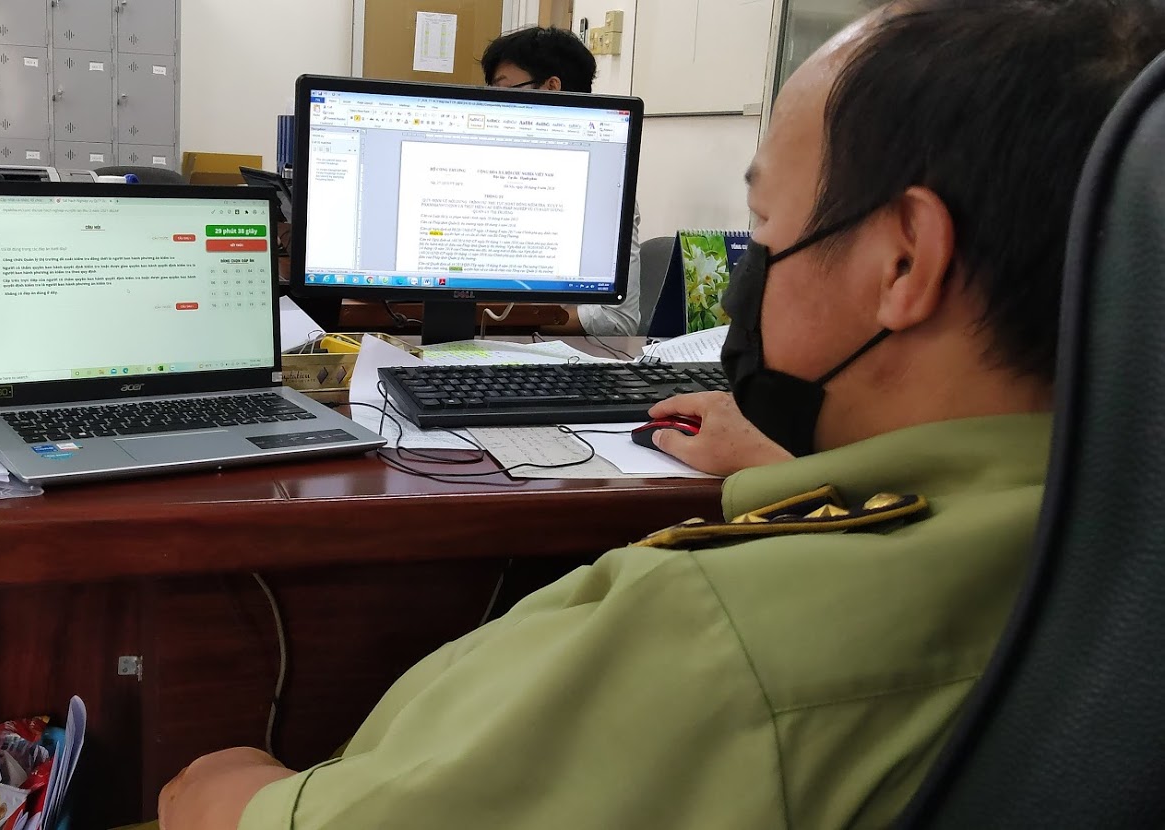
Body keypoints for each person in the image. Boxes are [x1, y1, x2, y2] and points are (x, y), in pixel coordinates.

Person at [156, 1, 1165, 828]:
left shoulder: (719, 636)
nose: (750, 267)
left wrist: (228, 788)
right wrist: (782, 469)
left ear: (902, 260)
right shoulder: (1110, 553)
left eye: (764, 224)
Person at [482, 27, 645, 338]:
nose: (492, 102)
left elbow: (617, 319)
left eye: (503, 89)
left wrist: (498, 322)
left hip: (545, 349)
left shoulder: (602, 183)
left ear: (551, 88)